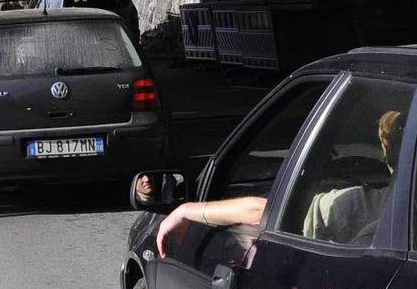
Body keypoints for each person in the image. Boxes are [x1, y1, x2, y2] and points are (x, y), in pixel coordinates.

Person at [155, 109, 404, 257]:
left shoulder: (366, 205)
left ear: (390, 157)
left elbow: (266, 212)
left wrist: (186, 209)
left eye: (385, 149)